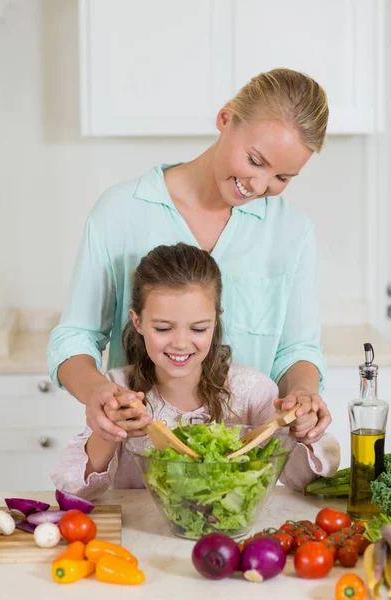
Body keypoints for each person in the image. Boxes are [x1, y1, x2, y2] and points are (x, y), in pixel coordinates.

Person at [48, 67, 332, 444]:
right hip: (138, 465)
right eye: (255, 161)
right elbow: (76, 336)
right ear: (225, 119)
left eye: (283, 177)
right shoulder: (120, 212)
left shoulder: (292, 232)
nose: (260, 185)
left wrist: (304, 394)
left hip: (245, 474)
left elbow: (297, 349)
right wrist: (96, 392)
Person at [51, 244, 340, 498]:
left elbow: (306, 481)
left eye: (199, 328)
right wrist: (110, 431)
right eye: (163, 328)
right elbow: (74, 490)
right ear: (137, 322)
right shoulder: (118, 389)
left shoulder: (254, 392)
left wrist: (302, 429)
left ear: (216, 321)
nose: (180, 343)